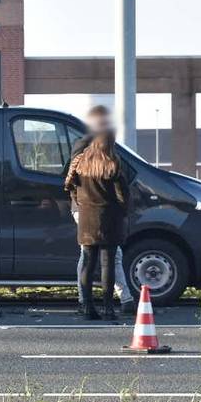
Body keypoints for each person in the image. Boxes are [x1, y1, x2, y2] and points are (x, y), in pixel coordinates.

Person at [71, 105, 137, 314]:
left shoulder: (81, 162)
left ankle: (87, 306)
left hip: (86, 218)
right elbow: (122, 196)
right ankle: (109, 308)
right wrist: (123, 211)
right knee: (108, 263)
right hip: (109, 219)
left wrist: (80, 203)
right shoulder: (112, 164)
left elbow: (71, 185)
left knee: (88, 262)